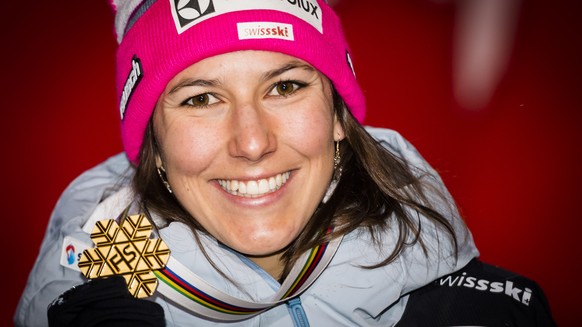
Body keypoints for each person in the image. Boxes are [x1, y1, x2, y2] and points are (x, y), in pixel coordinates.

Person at [14, 0, 555, 326]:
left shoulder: (482, 305)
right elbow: (89, 254)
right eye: (201, 98)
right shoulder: (101, 284)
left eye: (286, 86)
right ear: (153, 139)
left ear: (338, 116)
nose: (252, 143)